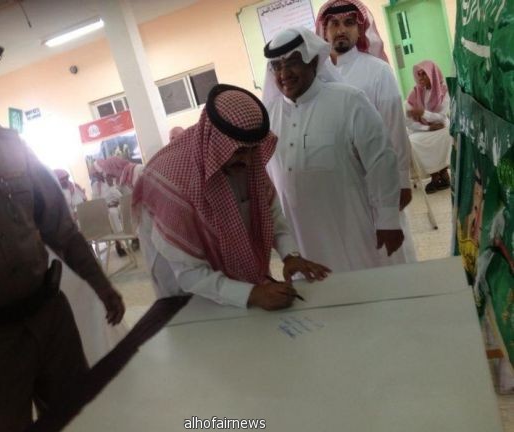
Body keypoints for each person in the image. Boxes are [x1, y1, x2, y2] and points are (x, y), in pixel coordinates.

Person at [0, 35, 125, 432]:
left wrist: (101, 283)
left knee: (80, 420)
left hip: (50, 321)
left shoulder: (10, 145)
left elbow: (60, 226)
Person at [132, 84, 331, 310]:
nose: (248, 160)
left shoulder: (246, 159)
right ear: (216, 144)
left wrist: (290, 255)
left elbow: (270, 214)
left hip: (237, 280)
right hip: (187, 289)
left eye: (253, 150)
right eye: (239, 151)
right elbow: (189, 274)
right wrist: (252, 294)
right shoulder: (175, 184)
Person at [263, 27, 404, 272]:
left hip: (351, 229)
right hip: (300, 240)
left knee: (363, 284)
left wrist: (388, 219)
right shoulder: (267, 117)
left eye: (293, 62)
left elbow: (381, 160)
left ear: (312, 61)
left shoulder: (349, 101)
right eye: (277, 66)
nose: (284, 73)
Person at [316, 0, 416, 262]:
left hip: (377, 176)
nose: (341, 30)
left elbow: (395, 128)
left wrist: (402, 181)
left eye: (349, 23)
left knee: (390, 252)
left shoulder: (378, 71)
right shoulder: (316, 77)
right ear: (323, 31)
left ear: (360, 30)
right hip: (338, 183)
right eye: (334, 24)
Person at [405, 60, 452, 193]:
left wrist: (423, 113)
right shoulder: (415, 92)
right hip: (424, 129)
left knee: (447, 135)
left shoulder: (444, 90)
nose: (420, 77)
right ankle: (435, 175)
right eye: (418, 74)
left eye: (424, 74)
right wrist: (427, 128)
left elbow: (441, 117)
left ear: (432, 74)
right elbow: (408, 119)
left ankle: (443, 173)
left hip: (442, 127)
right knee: (413, 141)